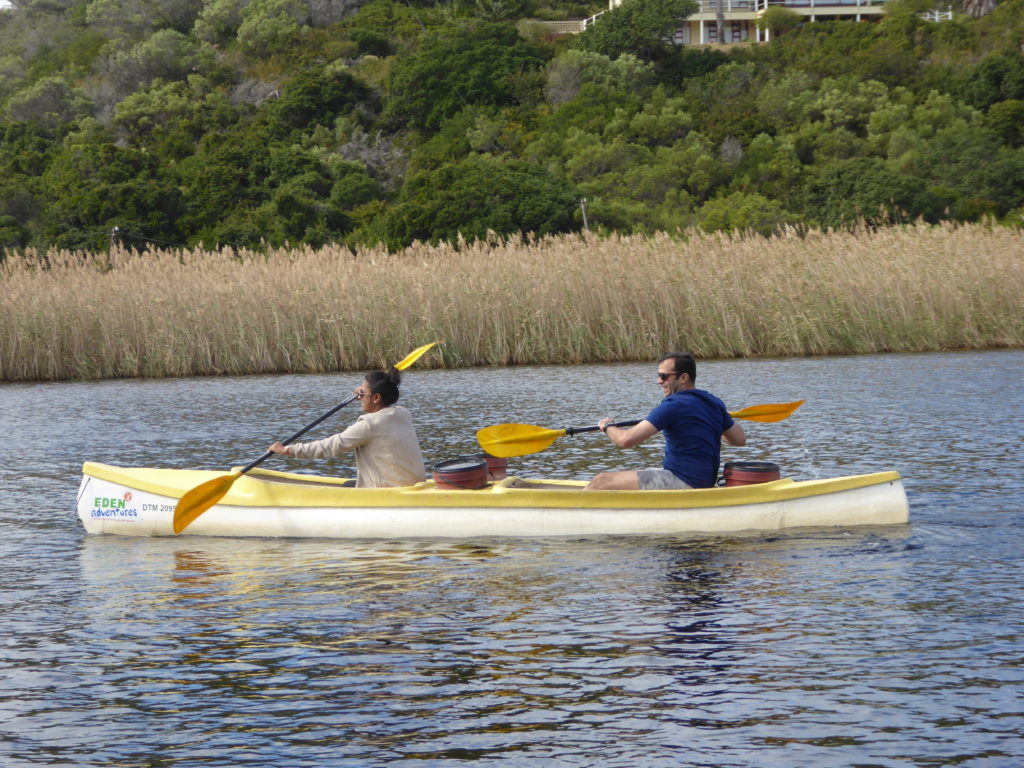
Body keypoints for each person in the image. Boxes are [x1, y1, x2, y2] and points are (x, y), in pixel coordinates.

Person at [585, 352, 746, 491]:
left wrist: (607, 426)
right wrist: (704, 427)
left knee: (601, 480)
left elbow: (625, 440)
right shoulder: (714, 403)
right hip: (704, 481)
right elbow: (739, 439)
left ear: (683, 378)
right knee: (644, 471)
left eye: (664, 376)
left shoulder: (673, 405)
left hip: (683, 480)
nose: (659, 381)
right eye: (658, 375)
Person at [268, 368, 426, 488]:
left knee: (346, 487)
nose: (359, 398)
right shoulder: (403, 413)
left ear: (377, 398)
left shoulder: (369, 425)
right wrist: (366, 392)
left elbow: (332, 446)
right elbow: (376, 396)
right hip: (410, 485)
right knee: (348, 485)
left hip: (387, 490)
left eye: (362, 393)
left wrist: (288, 450)